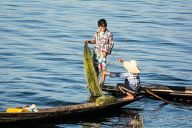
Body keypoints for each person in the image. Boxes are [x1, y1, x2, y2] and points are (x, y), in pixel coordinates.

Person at [84, 19, 114, 88]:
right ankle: (96, 82)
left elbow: (111, 44)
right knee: (95, 68)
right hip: (96, 52)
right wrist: (88, 41)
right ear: (99, 26)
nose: (103, 28)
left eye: (104, 27)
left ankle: (102, 83)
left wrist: (106, 52)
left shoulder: (109, 33)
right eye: (101, 27)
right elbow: (94, 41)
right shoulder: (97, 32)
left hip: (103, 53)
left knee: (103, 68)